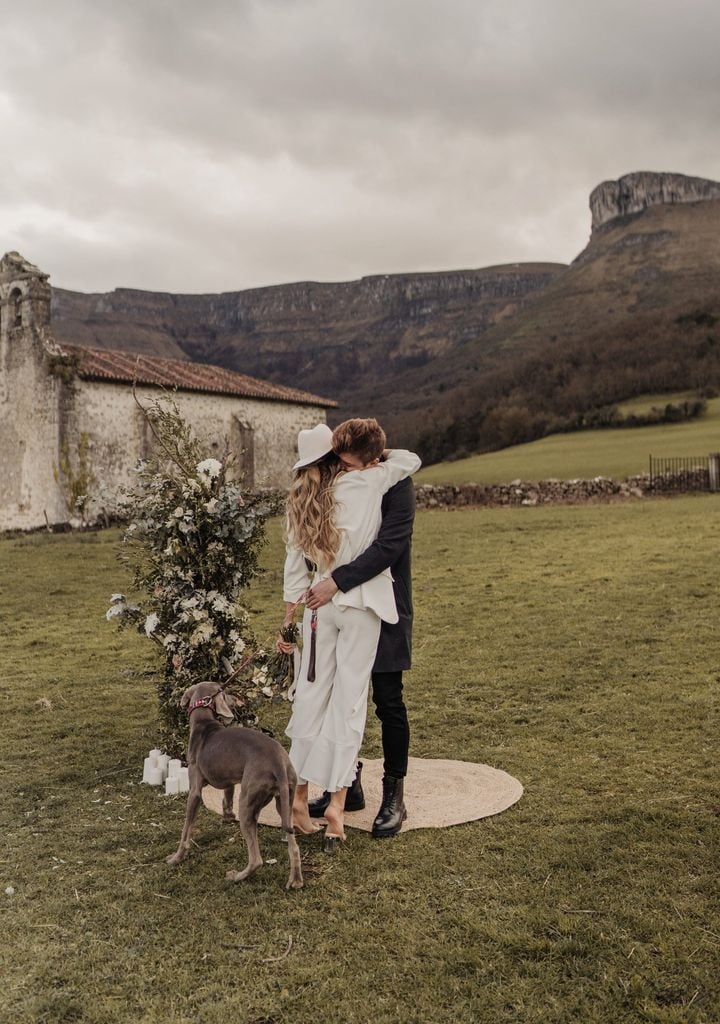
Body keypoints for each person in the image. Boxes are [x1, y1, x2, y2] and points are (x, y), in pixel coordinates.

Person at [278, 419, 420, 850]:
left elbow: (389, 547)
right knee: (341, 698)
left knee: (387, 699)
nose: (339, 465)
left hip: (382, 603)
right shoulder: (358, 479)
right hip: (347, 607)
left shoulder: (390, 485)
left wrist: (332, 582)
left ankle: (393, 792)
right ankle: (346, 790)